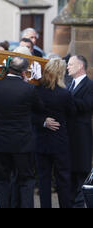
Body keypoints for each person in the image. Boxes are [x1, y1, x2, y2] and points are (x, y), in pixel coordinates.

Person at [0, 56, 44, 208]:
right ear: (24, 72)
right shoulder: (29, 89)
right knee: (26, 180)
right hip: (22, 142)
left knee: (1, 179)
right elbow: (40, 108)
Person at [34, 58, 75, 208]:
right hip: (60, 141)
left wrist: (43, 121)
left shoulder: (37, 91)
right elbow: (72, 114)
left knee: (43, 180)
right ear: (60, 73)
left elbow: (30, 114)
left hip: (41, 141)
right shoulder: (65, 94)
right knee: (63, 178)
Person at [66, 55, 93, 208]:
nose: (67, 67)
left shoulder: (90, 85)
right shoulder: (70, 84)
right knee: (69, 172)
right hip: (69, 135)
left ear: (80, 66)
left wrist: (67, 98)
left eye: (70, 64)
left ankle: (79, 203)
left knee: (81, 171)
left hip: (81, 136)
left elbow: (87, 105)